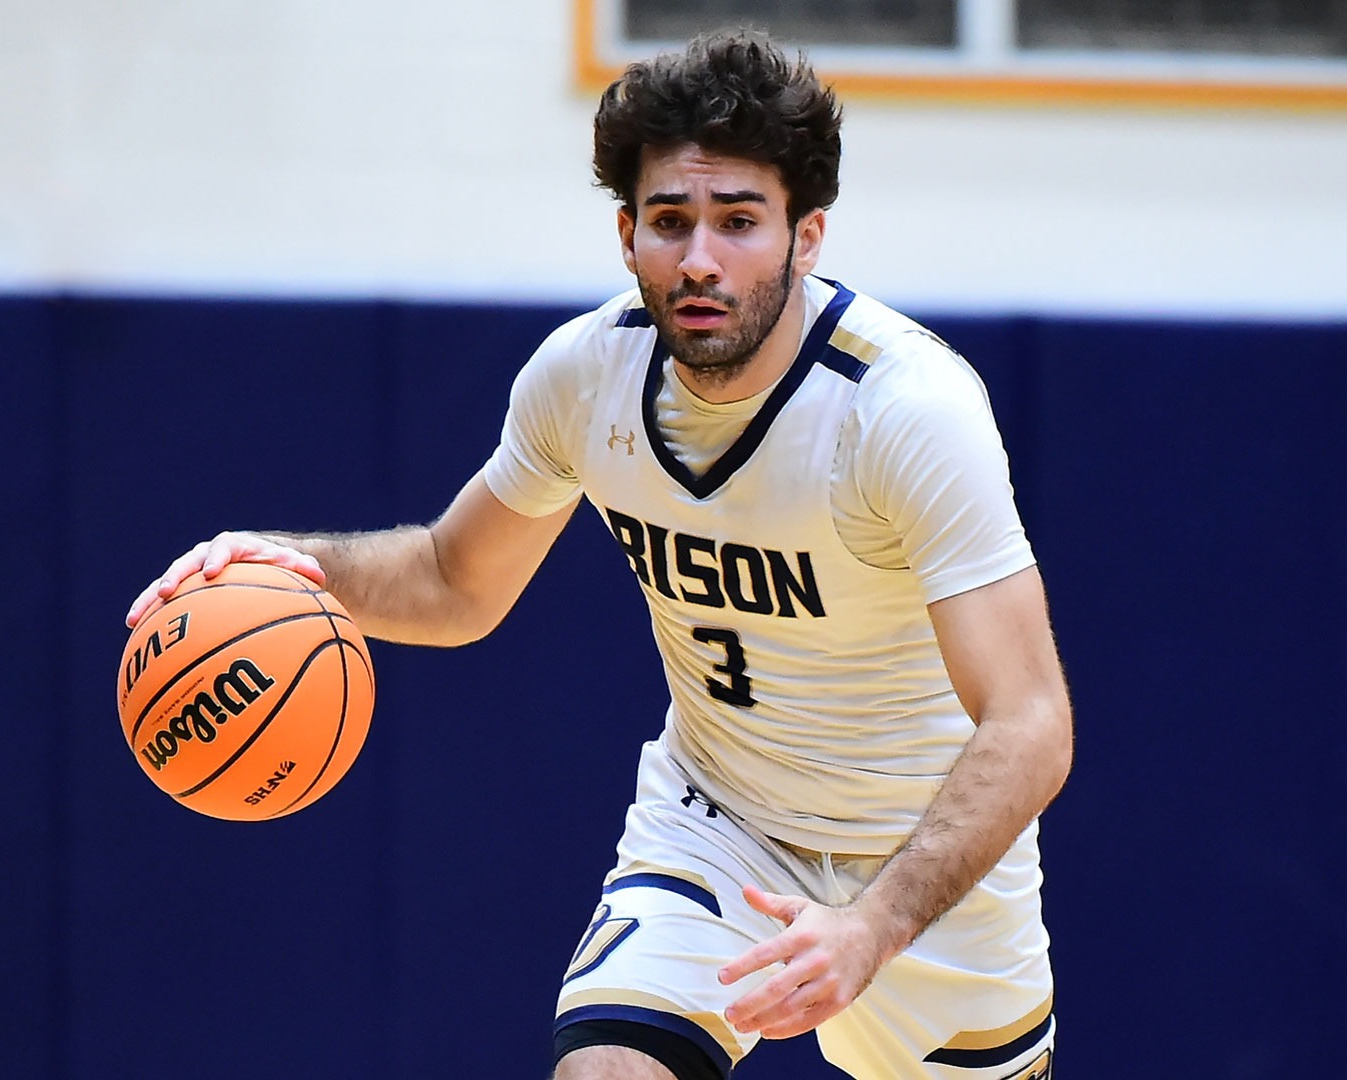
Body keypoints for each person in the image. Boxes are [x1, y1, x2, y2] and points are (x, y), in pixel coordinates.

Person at [127, 30, 1073, 1080]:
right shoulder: (586, 378)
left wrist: (875, 925)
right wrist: (279, 563)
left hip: (924, 861)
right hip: (722, 823)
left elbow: (1031, 720)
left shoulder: (904, 409)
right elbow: (453, 579)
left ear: (809, 238)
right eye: (670, 222)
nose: (699, 258)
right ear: (627, 236)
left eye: (739, 222)